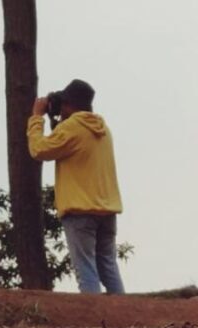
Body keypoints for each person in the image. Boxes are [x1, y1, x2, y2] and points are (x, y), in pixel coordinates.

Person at [28, 79, 125, 295]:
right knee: (108, 266)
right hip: (107, 210)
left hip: (80, 211)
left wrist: (36, 118)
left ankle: (96, 321)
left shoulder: (72, 128)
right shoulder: (103, 129)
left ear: (69, 105)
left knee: (86, 268)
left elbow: (39, 150)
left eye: (62, 104)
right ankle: (126, 324)